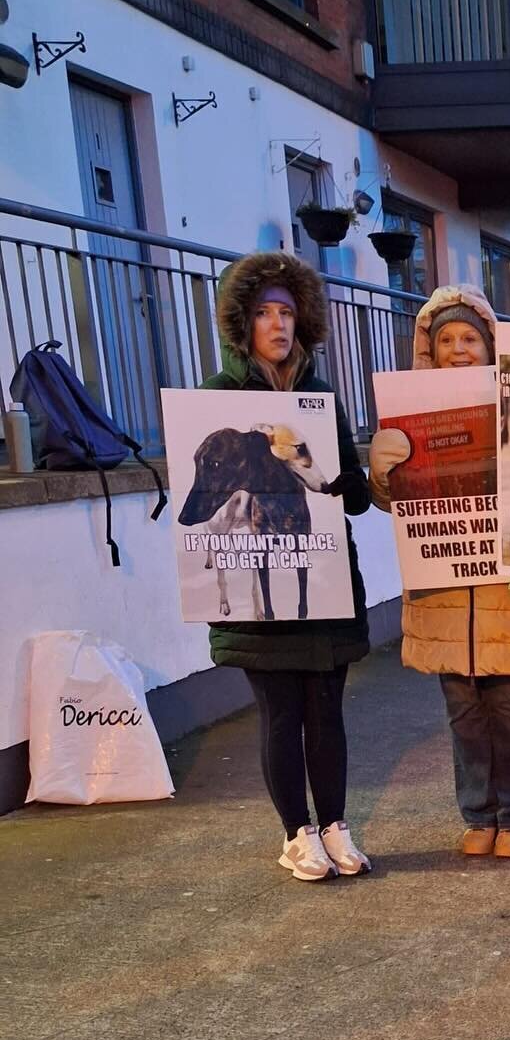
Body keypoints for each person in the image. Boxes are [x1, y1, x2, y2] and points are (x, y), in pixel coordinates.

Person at [201, 250, 373, 881]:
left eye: (288, 313)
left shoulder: (319, 396)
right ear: (242, 323)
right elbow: (209, 498)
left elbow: (348, 493)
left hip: (321, 582)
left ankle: (334, 824)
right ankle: (295, 834)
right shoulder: (217, 399)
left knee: (326, 711)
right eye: (265, 313)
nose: (278, 325)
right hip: (256, 591)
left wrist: (362, 474)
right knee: (281, 713)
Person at [368, 285, 510, 859]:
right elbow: (395, 503)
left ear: (490, 347)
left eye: (470, 338)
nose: (459, 349)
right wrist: (381, 469)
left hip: (502, 587)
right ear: (430, 350)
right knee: (463, 714)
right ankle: (477, 814)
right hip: (441, 590)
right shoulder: (406, 417)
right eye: (446, 340)